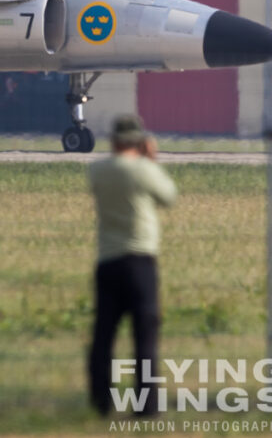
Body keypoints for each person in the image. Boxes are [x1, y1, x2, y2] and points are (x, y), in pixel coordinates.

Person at [86, 114, 177, 416]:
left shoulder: (97, 171)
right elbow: (168, 197)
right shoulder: (143, 170)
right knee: (145, 339)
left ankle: (101, 402)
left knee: (103, 336)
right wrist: (150, 159)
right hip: (140, 261)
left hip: (108, 260)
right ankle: (147, 406)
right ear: (138, 141)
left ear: (112, 140)